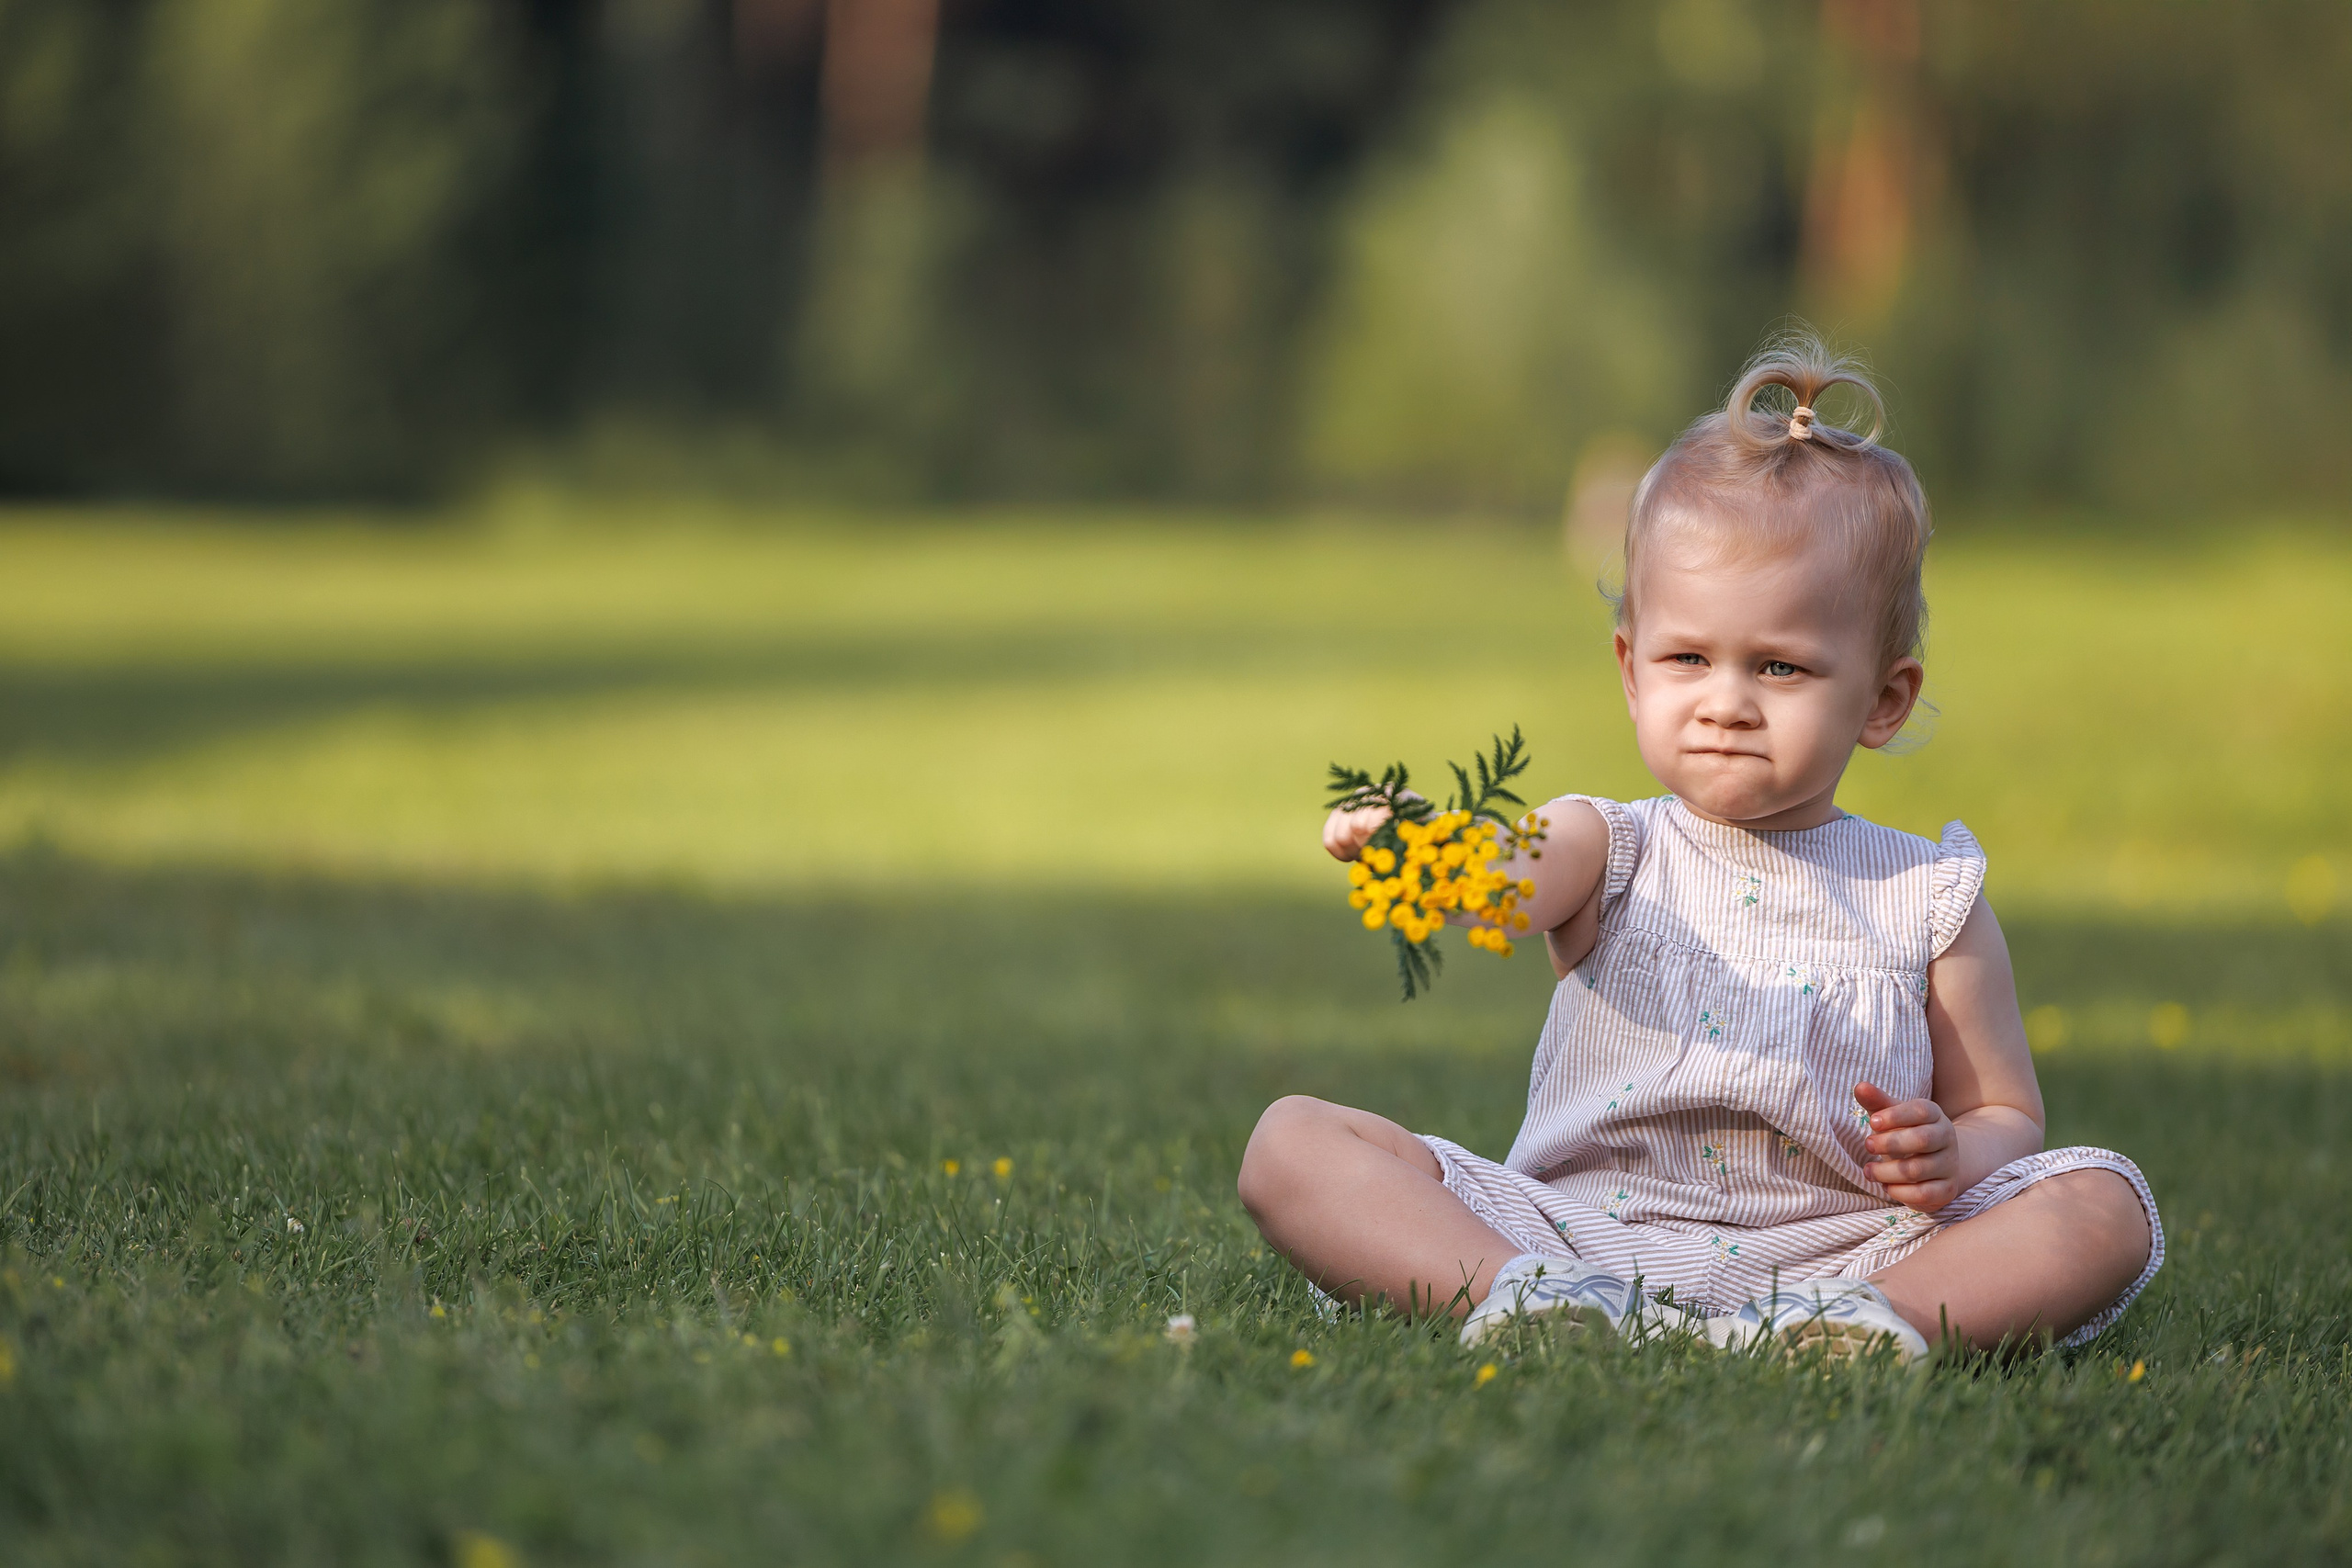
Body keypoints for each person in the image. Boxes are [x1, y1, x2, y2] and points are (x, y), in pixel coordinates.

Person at [1236, 336, 2162, 1361]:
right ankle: (1522, 1298)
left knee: (2104, 1201)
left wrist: (1952, 1152)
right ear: (1632, 672)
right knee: (1290, 1141)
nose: (1725, 702)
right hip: (1575, 1236)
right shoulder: (1613, 845)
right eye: (1686, 657)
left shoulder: (1927, 896)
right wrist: (1433, 846)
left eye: (1779, 667)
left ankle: (1858, 1327)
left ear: (1883, 699)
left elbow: (2002, 1108)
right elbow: (1511, 875)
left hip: (1840, 1254)